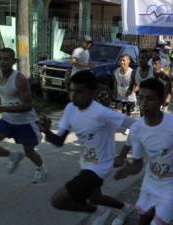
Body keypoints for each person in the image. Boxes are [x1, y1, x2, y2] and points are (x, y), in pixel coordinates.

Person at [37, 71, 135, 225]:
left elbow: (138, 127)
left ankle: (100, 211)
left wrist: (123, 155)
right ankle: (125, 208)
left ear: (93, 92)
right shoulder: (70, 108)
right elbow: (59, 141)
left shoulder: (102, 113)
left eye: (80, 91)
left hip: (101, 166)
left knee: (58, 200)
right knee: (95, 198)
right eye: (71, 90)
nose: (74, 95)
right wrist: (47, 131)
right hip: (86, 163)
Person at [114, 78, 173, 225]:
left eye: (150, 99)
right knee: (143, 220)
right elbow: (137, 164)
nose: (143, 104)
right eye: (140, 98)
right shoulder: (137, 128)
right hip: (150, 184)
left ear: (161, 101)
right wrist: (128, 170)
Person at [0, 47, 47, 183]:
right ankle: (12, 155)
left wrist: (1, 108)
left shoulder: (20, 79)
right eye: (0, 58)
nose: (2, 62)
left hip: (25, 122)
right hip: (8, 120)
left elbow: (27, 105)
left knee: (29, 151)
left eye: (6, 59)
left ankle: (41, 169)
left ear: (14, 61)